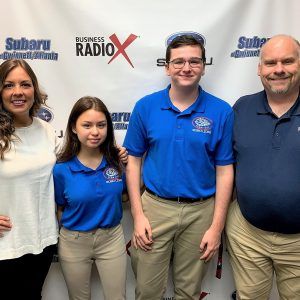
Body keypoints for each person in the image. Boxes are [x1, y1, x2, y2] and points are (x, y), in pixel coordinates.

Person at [124, 34, 234, 299]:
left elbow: (225, 170)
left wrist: (216, 227)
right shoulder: (146, 106)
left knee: (189, 291)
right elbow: (133, 162)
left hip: (201, 212)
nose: (187, 68)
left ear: (204, 66)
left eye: (194, 61)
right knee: (148, 290)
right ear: (167, 66)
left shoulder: (221, 111)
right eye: (179, 62)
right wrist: (138, 216)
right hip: (155, 209)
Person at [226, 34, 300, 300]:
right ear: (260, 69)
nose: (278, 69)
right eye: (270, 63)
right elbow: (224, 164)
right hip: (248, 236)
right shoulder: (241, 108)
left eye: (287, 61)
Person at [53, 96, 127, 300]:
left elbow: (130, 194)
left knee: (117, 297)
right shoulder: (61, 169)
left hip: (111, 238)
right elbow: (60, 207)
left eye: (101, 125)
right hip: (74, 241)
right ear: (74, 128)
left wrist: (130, 164)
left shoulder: (117, 161)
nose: (95, 132)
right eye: (87, 125)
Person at [0, 59, 58, 299]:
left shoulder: (46, 129)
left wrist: (116, 155)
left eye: (25, 84)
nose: (18, 92)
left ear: (34, 89)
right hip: (5, 245)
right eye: (8, 85)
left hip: (42, 241)